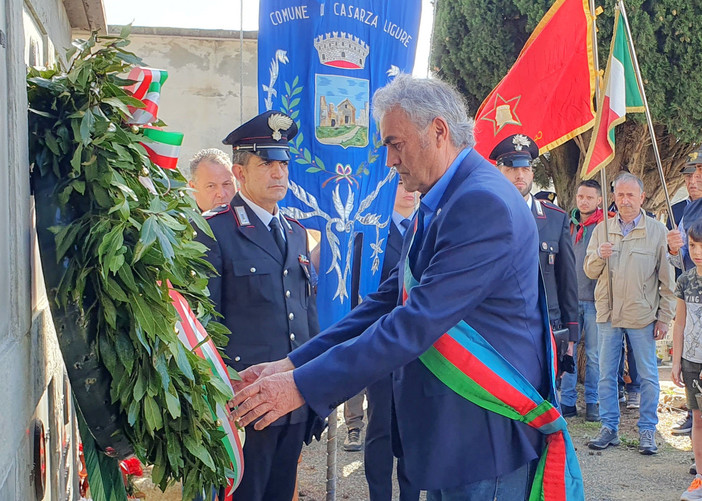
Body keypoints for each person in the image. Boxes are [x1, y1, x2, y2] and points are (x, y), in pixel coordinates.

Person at [230, 75, 582, 500]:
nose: (390, 159)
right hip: (450, 435)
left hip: (481, 437)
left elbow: (414, 322)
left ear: (438, 131)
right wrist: (292, 364)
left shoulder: (481, 203)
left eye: (396, 144)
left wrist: (302, 387)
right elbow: (385, 302)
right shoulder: (443, 197)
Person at [196, 110, 320, 501]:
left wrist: (315, 390)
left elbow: (307, 319)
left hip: (293, 400)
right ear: (240, 173)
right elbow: (202, 328)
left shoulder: (298, 234)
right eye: (266, 163)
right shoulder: (214, 231)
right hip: (244, 408)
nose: (279, 173)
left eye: (283, 163)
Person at [584, 172, 675, 454]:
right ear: (613, 198)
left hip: (642, 315)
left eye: (630, 195)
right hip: (609, 314)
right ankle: (609, 428)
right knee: (605, 374)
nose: (625, 201)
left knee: (648, 376)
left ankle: (647, 430)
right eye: (620, 195)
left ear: (642, 198)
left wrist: (664, 317)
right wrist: (599, 254)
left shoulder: (657, 231)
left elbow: (667, 281)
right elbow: (589, 270)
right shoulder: (602, 229)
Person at [490, 134, 579, 412]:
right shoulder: (483, 214)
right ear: (499, 171)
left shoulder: (555, 218)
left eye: (525, 168)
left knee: (544, 406)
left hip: (546, 329)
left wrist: (571, 337)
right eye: (511, 167)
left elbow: (567, 281)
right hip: (498, 328)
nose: (520, 175)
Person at [363, 179, 420, 501]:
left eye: (410, 184)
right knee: (381, 427)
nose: (408, 190)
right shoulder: (373, 231)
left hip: (418, 348)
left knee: (412, 428)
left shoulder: (426, 228)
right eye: (399, 183)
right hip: (381, 344)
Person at [562, 179, 604, 422]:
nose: (584, 201)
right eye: (581, 197)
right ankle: (567, 402)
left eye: (589, 197)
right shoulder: (567, 224)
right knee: (568, 351)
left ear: (599, 200)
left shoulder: (604, 227)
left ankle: (592, 402)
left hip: (596, 300)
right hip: (570, 300)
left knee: (595, 354)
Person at [672, 220, 702, 500]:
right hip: (692, 361)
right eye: (692, 245)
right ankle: (700, 479)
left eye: (701, 245)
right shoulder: (685, 280)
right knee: (697, 420)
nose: (697, 251)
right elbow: (679, 323)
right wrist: (676, 360)